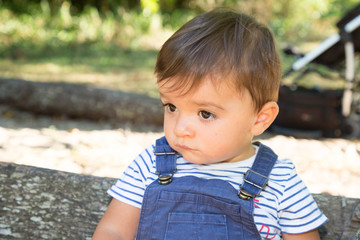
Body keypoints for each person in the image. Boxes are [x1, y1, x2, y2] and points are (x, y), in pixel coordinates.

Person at [92, 8, 328, 240]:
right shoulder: (150, 165)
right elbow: (114, 231)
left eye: (205, 114)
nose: (180, 129)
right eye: (171, 107)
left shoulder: (279, 181)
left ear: (260, 119)